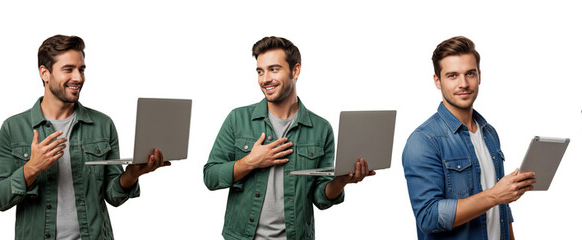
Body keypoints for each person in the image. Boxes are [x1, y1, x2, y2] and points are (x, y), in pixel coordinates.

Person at [0, 34, 169, 240]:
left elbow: (114, 196)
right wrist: (31, 168)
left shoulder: (103, 124)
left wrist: (132, 174)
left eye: (81, 69)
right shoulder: (14, 128)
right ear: (44, 73)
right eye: (68, 69)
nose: (78, 78)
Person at [203, 36, 373, 240]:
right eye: (260, 71)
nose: (265, 79)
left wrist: (340, 182)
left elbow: (321, 198)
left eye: (274, 69)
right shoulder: (237, 119)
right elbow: (211, 177)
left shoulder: (321, 129)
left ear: (296, 70)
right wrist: (250, 162)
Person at [402, 36, 536, 240]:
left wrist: (503, 195)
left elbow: (501, 210)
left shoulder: (489, 133)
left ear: (479, 76)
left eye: (470, 74)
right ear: (437, 81)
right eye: (452, 76)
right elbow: (428, 217)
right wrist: (494, 195)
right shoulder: (423, 141)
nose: (463, 84)